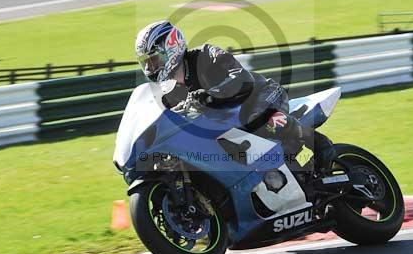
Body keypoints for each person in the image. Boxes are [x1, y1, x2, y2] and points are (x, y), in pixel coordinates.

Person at [135, 20, 335, 173]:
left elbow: (242, 78)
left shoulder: (206, 54)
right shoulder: (169, 91)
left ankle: (320, 144)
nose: (151, 67)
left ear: (172, 47)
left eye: (154, 59)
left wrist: (207, 95)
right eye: (147, 63)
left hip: (261, 95)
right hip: (229, 121)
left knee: (259, 121)